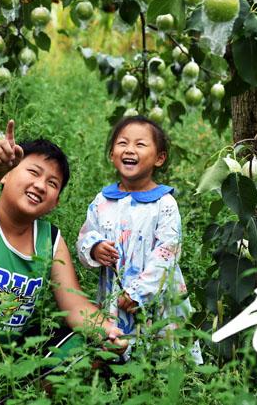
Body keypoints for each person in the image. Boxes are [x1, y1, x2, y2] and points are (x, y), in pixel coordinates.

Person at [0, 120, 125, 390]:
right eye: (33, 172)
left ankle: (20, 392)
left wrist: (108, 330)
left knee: (90, 347)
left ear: (56, 202)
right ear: (6, 176)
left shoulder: (50, 240)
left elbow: (75, 308)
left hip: (8, 360)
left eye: (52, 183)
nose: (40, 185)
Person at [76, 115, 202, 363]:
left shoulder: (164, 204)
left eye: (140, 144)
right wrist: (94, 248)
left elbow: (168, 252)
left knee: (163, 353)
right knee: (119, 351)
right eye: (122, 143)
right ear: (112, 154)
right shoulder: (102, 201)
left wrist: (139, 293)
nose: (129, 150)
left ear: (159, 158)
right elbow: (84, 237)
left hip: (155, 297)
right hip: (115, 295)